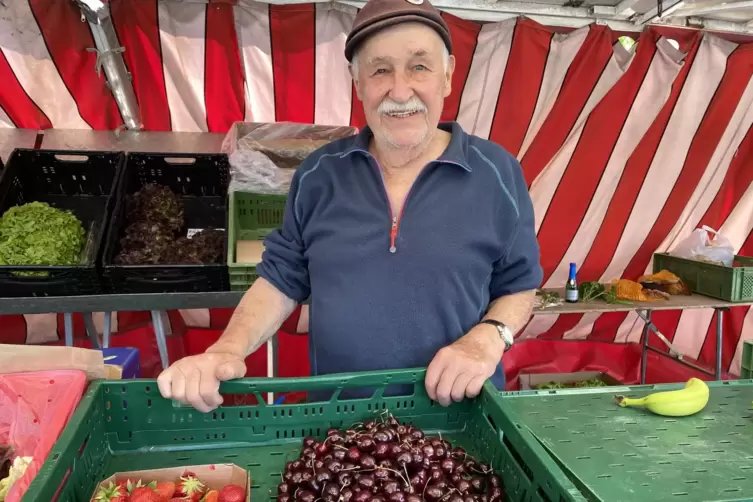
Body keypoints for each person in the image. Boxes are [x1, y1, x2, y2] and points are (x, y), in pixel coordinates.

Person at [157, 0, 543, 412]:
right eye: (380, 70)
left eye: (419, 67)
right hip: (340, 429)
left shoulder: (497, 172)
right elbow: (281, 279)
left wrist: (486, 338)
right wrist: (226, 349)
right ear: (357, 82)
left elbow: (519, 286)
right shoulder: (320, 174)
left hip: (460, 421)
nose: (400, 90)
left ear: (447, 74)